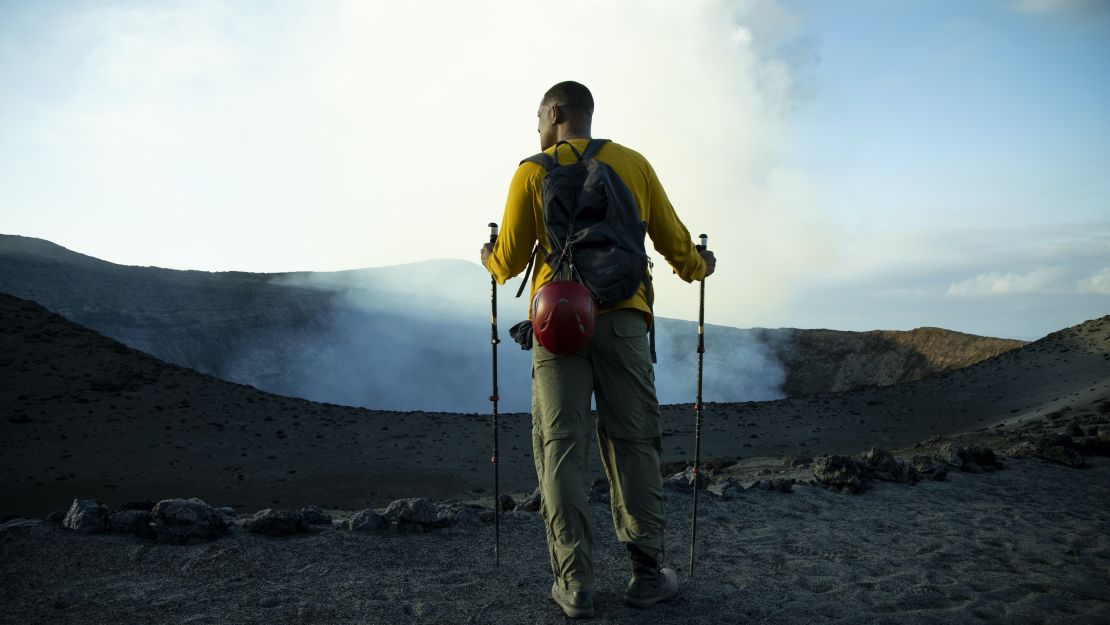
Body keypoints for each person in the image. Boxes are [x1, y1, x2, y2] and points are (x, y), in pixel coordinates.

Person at [481, 80, 716, 619]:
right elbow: (673, 242)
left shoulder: (531, 171)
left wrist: (488, 256)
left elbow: (510, 260)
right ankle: (647, 574)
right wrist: (699, 266)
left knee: (561, 445)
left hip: (558, 322)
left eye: (539, 118)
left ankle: (575, 584)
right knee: (633, 441)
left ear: (557, 113)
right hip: (624, 321)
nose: (537, 129)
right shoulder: (633, 164)